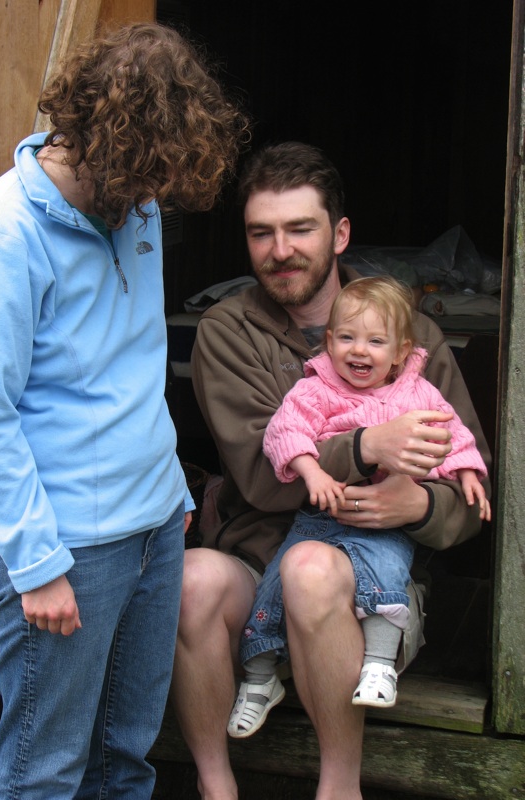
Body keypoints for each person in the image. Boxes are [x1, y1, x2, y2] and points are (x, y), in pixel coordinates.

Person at [0, 23, 249, 800]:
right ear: (98, 140)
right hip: (66, 544)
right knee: (41, 773)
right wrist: (37, 566)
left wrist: (169, 490)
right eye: (147, 175)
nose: (154, 198)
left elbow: (134, 364)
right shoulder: (3, 233)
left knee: (126, 760)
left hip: (152, 527)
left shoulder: (136, 206)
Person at [170, 141, 492, 800]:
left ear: (339, 233)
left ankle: (338, 788)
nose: (279, 249)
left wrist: (421, 509)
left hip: (371, 577)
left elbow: (468, 488)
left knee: (313, 569)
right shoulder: (229, 332)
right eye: (262, 232)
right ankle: (214, 784)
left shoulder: (414, 339)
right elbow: (263, 477)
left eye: (299, 229)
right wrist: (369, 445)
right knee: (190, 579)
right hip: (258, 560)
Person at [228, 275, 490, 738]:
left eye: (375, 341)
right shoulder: (317, 388)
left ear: (402, 351)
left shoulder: (416, 393)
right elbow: (284, 433)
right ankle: (258, 678)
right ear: (329, 342)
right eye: (346, 338)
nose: (359, 351)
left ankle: (378, 666)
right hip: (321, 517)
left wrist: (467, 472)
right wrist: (312, 473)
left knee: (387, 577)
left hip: (385, 520)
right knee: (273, 590)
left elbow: (453, 435)